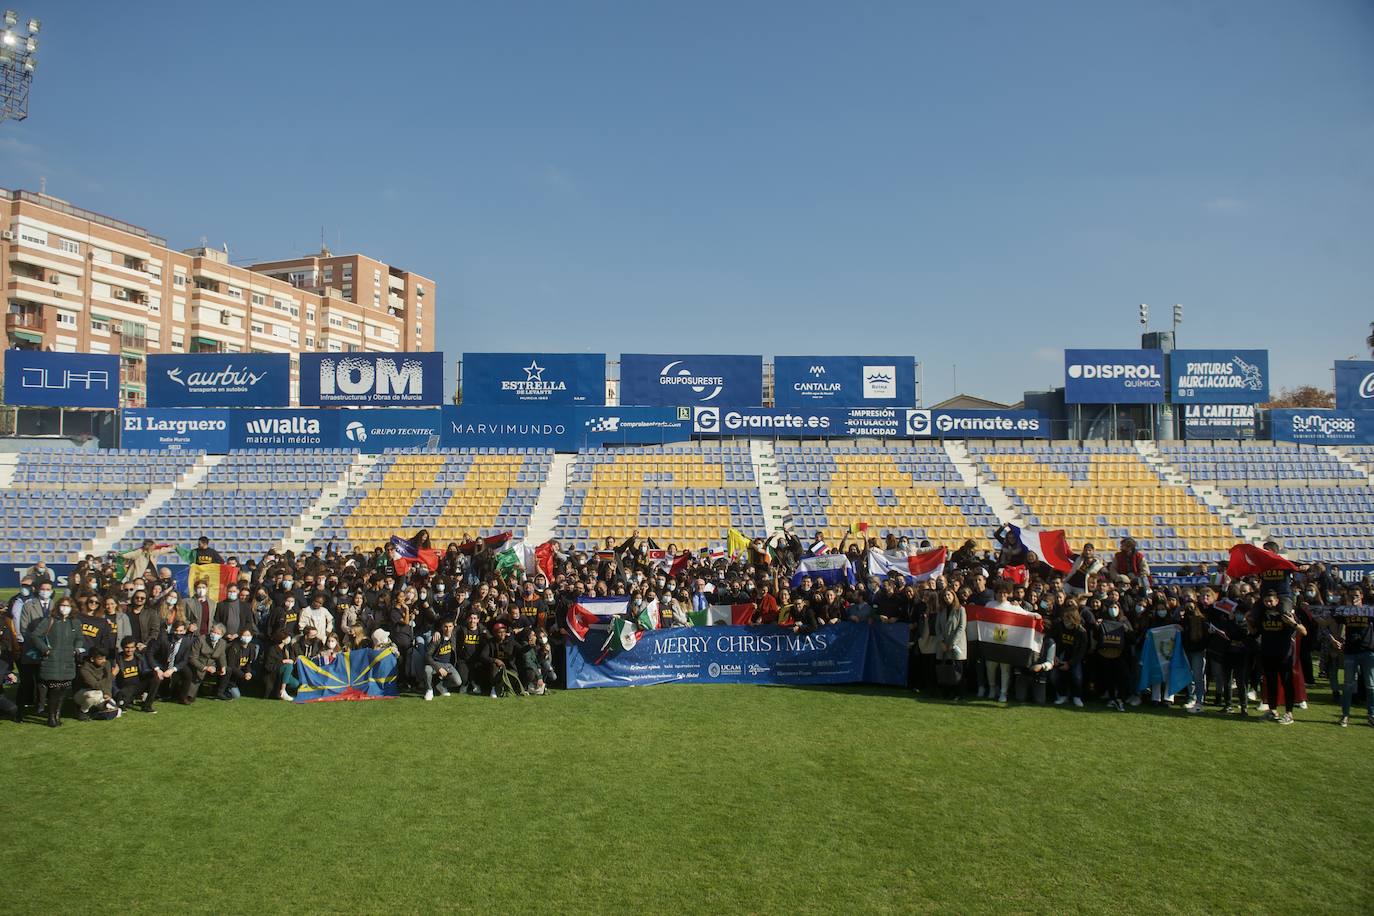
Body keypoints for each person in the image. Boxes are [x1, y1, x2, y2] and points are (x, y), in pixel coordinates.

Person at [26, 595, 84, 727]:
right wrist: (45, 650)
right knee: (55, 689)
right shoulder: (50, 620)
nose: (65, 608)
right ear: (58, 607)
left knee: (63, 689)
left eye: (67, 606)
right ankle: (51, 717)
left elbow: (80, 638)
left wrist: (76, 649)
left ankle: (57, 715)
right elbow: (35, 635)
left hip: (68, 661)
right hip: (52, 661)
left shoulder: (75, 622)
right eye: (62, 606)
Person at [1257, 592, 1303, 725]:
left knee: (1287, 683)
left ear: (1277, 601)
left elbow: (1303, 631)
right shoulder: (1262, 615)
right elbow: (1256, 631)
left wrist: (1294, 623)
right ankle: (1272, 710)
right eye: (1266, 601)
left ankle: (1289, 713)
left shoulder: (1286, 614)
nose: (1268, 603)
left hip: (1284, 655)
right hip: (1267, 653)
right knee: (1271, 683)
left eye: (1271, 601)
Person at [1332, 600, 1374, 728]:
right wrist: (1332, 639)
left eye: (1356, 595)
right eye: (1351, 596)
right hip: (1350, 652)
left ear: (1361, 597)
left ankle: (1371, 716)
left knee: (1371, 685)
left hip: (1368, 651)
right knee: (1348, 685)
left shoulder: (1369, 611)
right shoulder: (1345, 612)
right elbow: (1329, 621)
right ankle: (1345, 716)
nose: (1354, 599)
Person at [1051, 605, 1089, 707]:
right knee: (1054, 676)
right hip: (1060, 656)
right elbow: (1053, 642)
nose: (1065, 621)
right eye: (1064, 618)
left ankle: (1077, 696)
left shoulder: (1082, 632)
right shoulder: (1058, 626)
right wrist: (1055, 656)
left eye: (1068, 618)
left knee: (1077, 677)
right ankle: (1062, 695)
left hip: (1074, 658)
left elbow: (1081, 651)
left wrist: (1070, 663)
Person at [934, 589, 966, 700]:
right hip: (943, 645)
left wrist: (952, 643)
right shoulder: (941, 610)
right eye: (944, 595)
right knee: (946, 669)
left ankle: (958, 694)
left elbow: (961, 627)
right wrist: (942, 642)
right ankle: (946, 693)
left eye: (949, 595)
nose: (946, 597)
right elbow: (937, 628)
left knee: (957, 670)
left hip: (957, 645)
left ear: (953, 596)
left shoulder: (960, 610)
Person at [73, 646, 120, 721]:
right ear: (92, 659)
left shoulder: (107, 663)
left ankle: (95, 712)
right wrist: (113, 675)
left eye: (105, 658)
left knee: (117, 712)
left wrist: (107, 694)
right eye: (101, 659)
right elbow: (95, 685)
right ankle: (82, 711)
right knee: (95, 695)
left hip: (101, 692)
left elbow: (108, 682)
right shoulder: (84, 669)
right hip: (83, 693)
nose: (104, 660)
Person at [113, 637, 157, 713]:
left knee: (156, 678)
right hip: (125, 688)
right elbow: (112, 680)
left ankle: (147, 706)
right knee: (121, 705)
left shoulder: (139, 658)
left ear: (135, 648)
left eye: (132, 647)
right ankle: (128, 700)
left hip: (138, 686)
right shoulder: (117, 660)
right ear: (123, 648)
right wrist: (116, 691)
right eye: (127, 647)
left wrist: (154, 673)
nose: (129, 650)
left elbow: (145, 671)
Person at [423, 620, 462, 700]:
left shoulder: (454, 635)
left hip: (448, 665)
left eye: (450, 626)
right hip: (435, 664)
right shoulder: (437, 638)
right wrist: (438, 668)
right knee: (427, 669)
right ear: (442, 627)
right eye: (445, 627)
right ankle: (429, 690)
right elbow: (427, 656)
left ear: (453, 627)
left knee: (458, 682)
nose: (448, 629)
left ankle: (441, 686)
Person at [219, 628, 258, 700]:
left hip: (241, 674)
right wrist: (243, 675)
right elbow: (231, 666)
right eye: (244, 635)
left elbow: (249, 663)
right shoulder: (234, 648)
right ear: (240, 636)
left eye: (248, 635)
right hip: (231, 675)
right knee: (236, 696)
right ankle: (222, 689)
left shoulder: (252, 648)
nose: (246, 637)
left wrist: (248, 672)